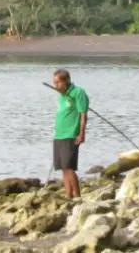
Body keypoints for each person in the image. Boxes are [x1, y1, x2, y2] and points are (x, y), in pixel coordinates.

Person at [52, 68, 88, 198]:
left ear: (66, 81)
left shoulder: (78, 92)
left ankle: (77, 197)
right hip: (59, 135)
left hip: (71, 134)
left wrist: (81, 133)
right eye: (54, 83)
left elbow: (83, 115)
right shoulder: (61, 95)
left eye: (58, 82)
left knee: (69, 166)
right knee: (63, 167)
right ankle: (69, 195)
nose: (55, 85)